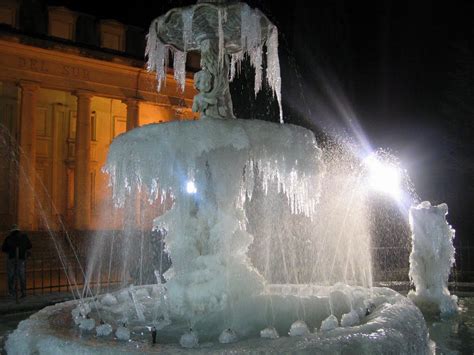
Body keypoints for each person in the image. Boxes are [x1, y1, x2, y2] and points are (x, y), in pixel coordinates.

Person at [1, 224, 32, 298]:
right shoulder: (24, 237)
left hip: (11, 258)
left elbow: (4, 248)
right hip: (21, 258)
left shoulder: (9, 238)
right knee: (21, 275)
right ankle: (23, 291)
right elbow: (30, 245)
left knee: (11, 274)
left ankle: (12, 292)